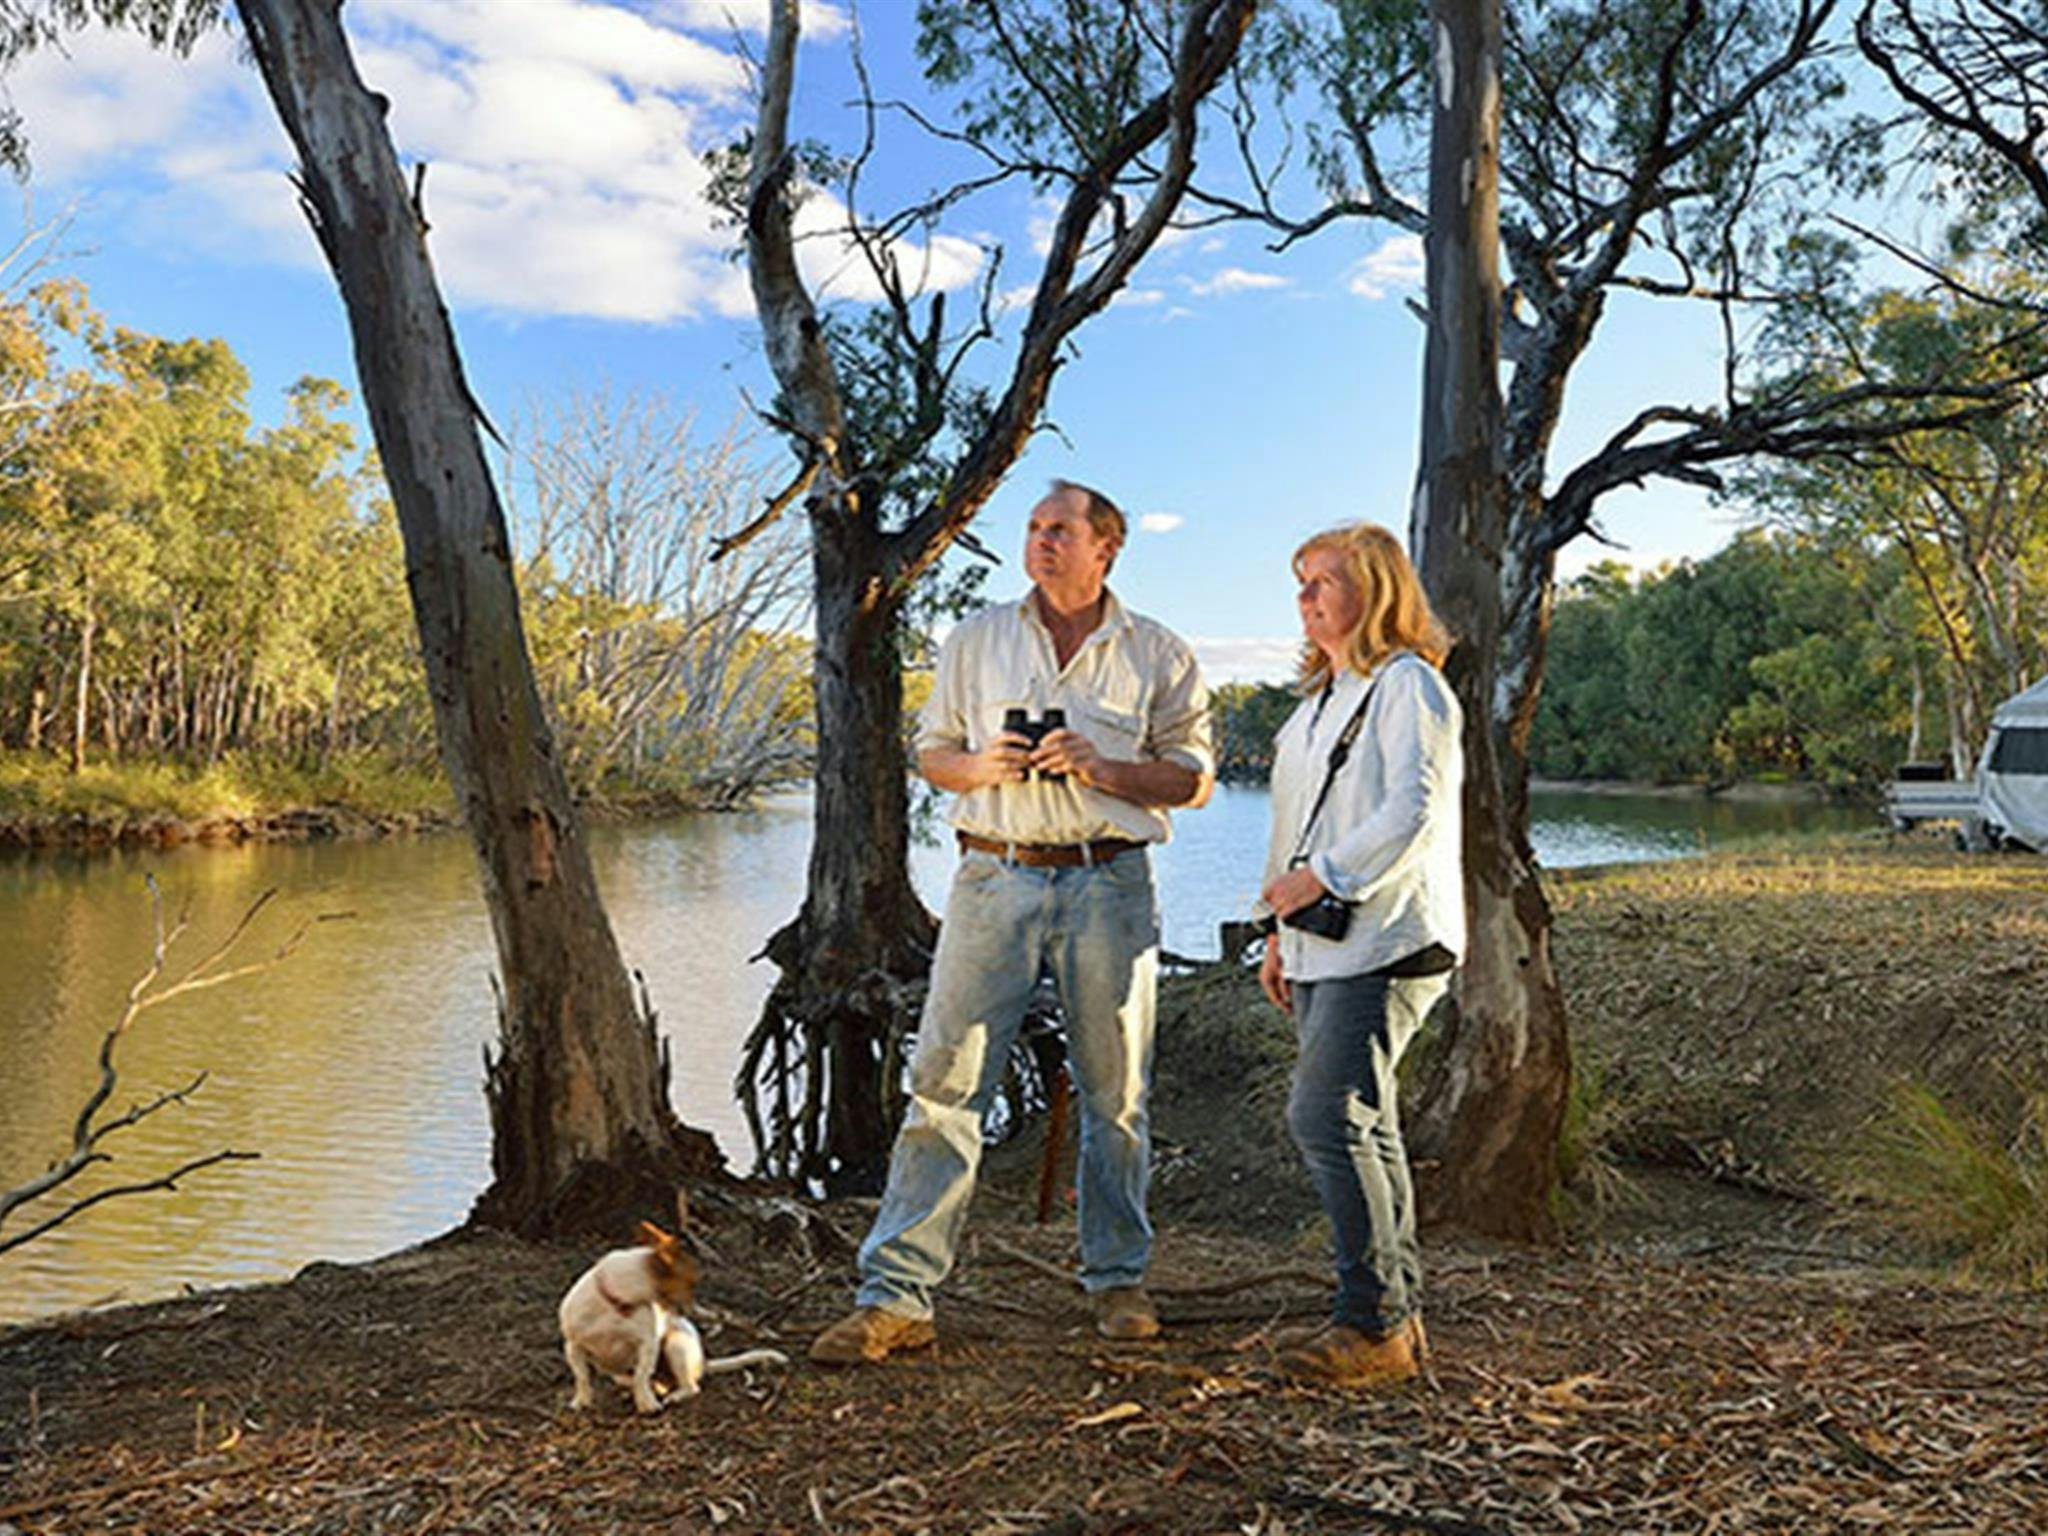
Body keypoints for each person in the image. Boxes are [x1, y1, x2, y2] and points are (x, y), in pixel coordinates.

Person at [810, 479, 1214, 1365]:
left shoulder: (1158, 653)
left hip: (1110, 883)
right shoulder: (977, 639)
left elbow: (1193, 777)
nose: (1041, 542)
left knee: (1117, 1092)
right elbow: (930, 754)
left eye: (1060, 529)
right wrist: (980, 765)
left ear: (1106, 546)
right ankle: (897, 1298)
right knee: (945, 1086)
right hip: (992, 879)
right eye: (1033, 528)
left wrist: (1107, 769)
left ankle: (1117, 1279)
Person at [1255, 521, 1463, 1388]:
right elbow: (1292, 830)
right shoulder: (1315, 704)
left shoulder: (1408, 684)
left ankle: (1372, 1321)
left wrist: (1324, 878)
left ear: (1374, 590)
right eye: (1300, 582)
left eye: (1324, 582)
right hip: (1320, 947)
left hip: (1391, 937)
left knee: (1326, 1116)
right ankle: (1392, 1321)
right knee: (1362, 1122)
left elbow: (1411, 812)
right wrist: (1278, 930)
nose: (1306, 598)